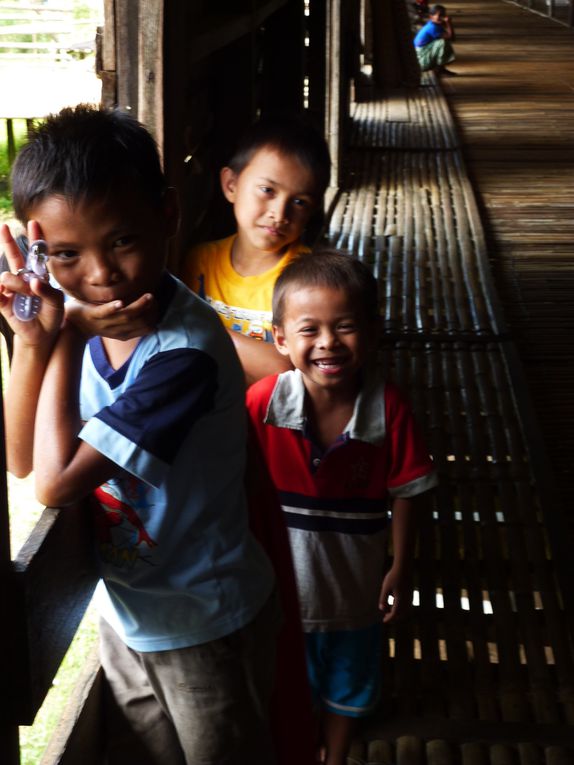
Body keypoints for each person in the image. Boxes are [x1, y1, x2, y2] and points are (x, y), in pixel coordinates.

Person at [0, 104, 280, 765]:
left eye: (121, 240)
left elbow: (53, 481)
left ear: (168, 214)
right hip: (131, 615)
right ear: (41, 253)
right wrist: (34, 340)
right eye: (66, 254)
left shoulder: (182, 353)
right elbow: (17, 456)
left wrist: (67, 330)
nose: (99, 274)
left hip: (207, 621)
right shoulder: (94, 328)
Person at [246, 251, 438, 765]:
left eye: (345, 327)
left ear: (373, 333)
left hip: (356, 591)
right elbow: (232, 484)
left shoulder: (388, 407)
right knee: (286, 681)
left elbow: (407, 490)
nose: (328, 342)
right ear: (281, 339)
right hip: (280, 592)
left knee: (350, 681)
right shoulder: (263, 404)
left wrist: (400, 565)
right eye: (309, 330)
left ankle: (335, 753)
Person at [179, 116, 331, 385]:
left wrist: (204, 331)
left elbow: (288, 370)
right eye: (267, 190)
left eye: (299, 201)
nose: (279, 213)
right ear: (231, 186)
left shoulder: (309, 277)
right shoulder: (199, 262)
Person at [413, 4, 456, 76]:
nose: (441, 17)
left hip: (423, 57)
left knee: (443, 42)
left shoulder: (436, 25)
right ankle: (439, 69)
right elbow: (450, 37)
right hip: (421, 61)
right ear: (431, 17)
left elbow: (452, 38)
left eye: (443, 15)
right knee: (442, 43)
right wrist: (449, 23)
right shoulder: (432, 27)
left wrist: (446, 23)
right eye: (439, 15)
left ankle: (441, 69)